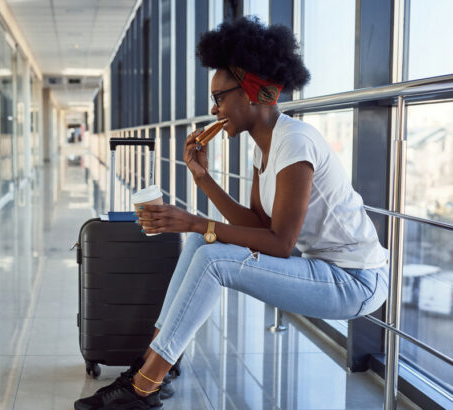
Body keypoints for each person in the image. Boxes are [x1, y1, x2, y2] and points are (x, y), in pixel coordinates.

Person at [74, 16, 389, 410]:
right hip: (324, 268)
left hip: (355, 280)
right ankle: (155, 363)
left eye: (220, 97)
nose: (214, 108)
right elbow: (256, 225)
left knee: (210, 254)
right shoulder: (266, 147)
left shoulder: (294, 142)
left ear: (254, 92)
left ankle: (143, 386)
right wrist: (203, 178)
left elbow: (279, 243)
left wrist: (195, 220)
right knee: (198, 243)